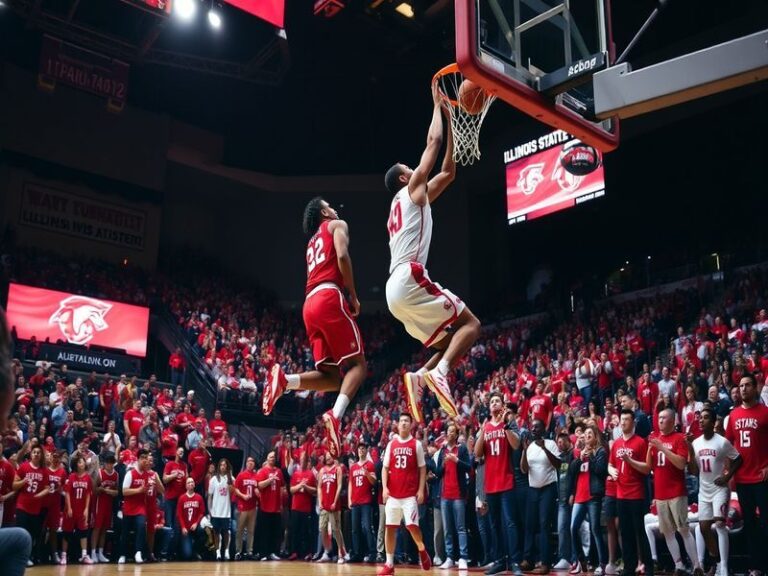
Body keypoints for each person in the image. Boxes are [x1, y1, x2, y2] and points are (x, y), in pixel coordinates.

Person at [384, 83, 480, 423]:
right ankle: (439, 374)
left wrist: (455, 123)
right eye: (409, 168)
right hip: (408, 277)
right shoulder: (410, 189)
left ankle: (420, 376)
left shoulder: (411, 202)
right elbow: (433, 144)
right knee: (471, 325)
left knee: (447, 342)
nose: (414, 169)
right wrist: (438, 106)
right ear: (403, 178)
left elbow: (449, 172)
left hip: (394, 292)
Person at [265, 197, 367, 458]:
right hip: (329, 296)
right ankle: (336, 415)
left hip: (309, 304)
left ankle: (286, 381)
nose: (335, 207)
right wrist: (353, 295)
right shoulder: (336, 224)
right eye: (330, 205)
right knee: (358, 366)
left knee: (332, 379)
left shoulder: (311, 243)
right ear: (324, 212)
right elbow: (342, 255)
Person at [644, 408, 703, 576]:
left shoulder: (679, 439)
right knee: (667, 532)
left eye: (664, 418)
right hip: (660, 493)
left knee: (683, 529)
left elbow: (681, 463)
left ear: (672, 420)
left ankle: (697, 565)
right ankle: (679, 565)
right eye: (659, 418)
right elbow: (649, 467)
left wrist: (661, 447)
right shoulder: (655, 440)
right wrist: (651, 448)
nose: (660, 421)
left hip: (677, 492)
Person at [687, 407, 741, 576]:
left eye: (705, 418)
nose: (701, 421)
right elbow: (694, 472)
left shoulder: (722, 442)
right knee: (703, 527)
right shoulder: (696, 443)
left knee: (719, 523)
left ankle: (724, 566)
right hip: (704, 491)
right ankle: (717, 561)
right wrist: (689, 448)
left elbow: (738, 458)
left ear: (712, 421)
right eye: (700, 418)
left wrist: (727, 477)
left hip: (719, 489)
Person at [474, 393, 524, 576]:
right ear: (489, 408)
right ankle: (500, 561)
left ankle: (516, 561)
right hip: (491, 484)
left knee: (510, 523)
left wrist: (504, 425)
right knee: (494, 525)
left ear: (502, 406)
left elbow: (516, 445)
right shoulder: (486, 427)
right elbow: (477, 453)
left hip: (507, 480)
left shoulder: (509, 424)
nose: (494, 403)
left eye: (497, 401)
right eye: (492, 401)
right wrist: (482, 430)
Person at [724, 373, 768, 576]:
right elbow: (728, 445)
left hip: (762, 477)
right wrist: (729, 471)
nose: (743, 389)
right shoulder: (733, 415)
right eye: (740, 385)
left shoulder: (765, 413)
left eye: (747, 385)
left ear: (754, 389)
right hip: (742, 478)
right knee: (749, 524)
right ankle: (756, 566)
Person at [377, 413, 431, 576]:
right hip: (393, 495)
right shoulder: (391, 444)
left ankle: (422, 549)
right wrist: (385, 488)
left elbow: (422, 469)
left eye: (407, 421)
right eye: (401, 421)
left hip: (409, 495)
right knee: (390, 528)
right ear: (398, 425)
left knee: (412, 526)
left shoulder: (416, 445)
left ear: (411, 425)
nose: (404, 423)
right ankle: (389, 563)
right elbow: (385, 468)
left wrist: (421, 490)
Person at [608, 409, 653, 576]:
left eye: (627, 419)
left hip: (636, 494)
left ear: (633, 422)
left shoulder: (641, 442)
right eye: (622, 419)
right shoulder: (617, 443)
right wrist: (610, 471)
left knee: (639, 532)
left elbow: (646, 469)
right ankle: (629, 567)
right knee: (625, 533)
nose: (623, 422)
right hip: (620, 494)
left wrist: (629, 460)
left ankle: (648, 566)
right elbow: (610, 463)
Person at [520, 419, 561, 574]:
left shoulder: (550, 443)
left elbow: (558, 464)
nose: (534, 429)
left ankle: (545, 563)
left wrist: (545, 449)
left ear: (544, 428)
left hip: (548, 489)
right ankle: (528, 560)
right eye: (532, 427)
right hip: (533, 489)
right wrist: (524, 451)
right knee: (530, 524)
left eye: (537, 426)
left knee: (544, 525)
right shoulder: (529, 447)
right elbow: (524, 470)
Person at [566, 425, 607, 576]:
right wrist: (580, 457)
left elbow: (601, 471)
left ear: (596, 436)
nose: (588, 435)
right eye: (586, 433)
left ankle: (602, 563)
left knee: (595, 529)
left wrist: (591, 456)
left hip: (593, 495)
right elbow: (571, 471)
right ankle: (581, 560)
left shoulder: (600, 451)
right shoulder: (578, 452)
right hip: (579, 496)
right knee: (573, 528)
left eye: (591, 433)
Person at [435, 423, 471, 570]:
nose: (450, 433)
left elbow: (469, 467)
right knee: (448, 529)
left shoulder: (461, 449)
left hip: (458, 494)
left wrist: (457, 461)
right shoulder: (442, 451)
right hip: (444, 495)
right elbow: (437, 473)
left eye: (452, 432)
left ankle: (463, 557)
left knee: (461, 528)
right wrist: (443, 464)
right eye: (448, 431)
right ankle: (449, 557)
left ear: (456, 435)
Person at [118, 448, 151, 565]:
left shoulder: (148, 475)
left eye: (147, 459)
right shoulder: (130, 474)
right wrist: (139, 490)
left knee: (141, 526)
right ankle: (123, 554)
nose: (146, 461)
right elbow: (124, 491)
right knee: (125, 532)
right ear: (139, 459)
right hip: (128, 507)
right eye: (144, 458)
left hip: (140, 507)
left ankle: (138, 552)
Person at [60, 453, 94, 565]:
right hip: (71, 509)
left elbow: (89, 494)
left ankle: (84, 555)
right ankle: (63, 555)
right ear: (76, 464)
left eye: (83, 461)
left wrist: (86, 509)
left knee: (83, 532)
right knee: (67, 532)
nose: (82, 463)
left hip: (82, 509)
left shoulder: (88, 478)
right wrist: (69, 507)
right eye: (80, 462)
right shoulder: (71, 477)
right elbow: (68, 493)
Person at [348, 443, 376, 563]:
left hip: (366, 502)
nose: (361, 450)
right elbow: (350, 484)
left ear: (366, 451)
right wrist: (349, 499)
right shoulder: (353, 467)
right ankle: (357, 554)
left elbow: (374, 482)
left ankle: (372, 553)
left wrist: (367, 474)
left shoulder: (370, 465)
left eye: (363, 448)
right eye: (359, 449)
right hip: (355, 501)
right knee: (355, 529)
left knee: (367, 528)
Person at [317, 452, 347, 563]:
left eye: (330, 456)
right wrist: (320, 502)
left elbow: (339, 485)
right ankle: (327, 551)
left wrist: (335, 501)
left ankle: (341, 553)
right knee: (322, 529)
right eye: (327, 457)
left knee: (336, 530)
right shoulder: (322, 470)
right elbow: (319, 487)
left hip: (334, 504)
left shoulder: (338, 469)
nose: (328, 458)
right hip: (324, 504)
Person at [255, 451, 284, 561]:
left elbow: (281, 488)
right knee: (264, 532)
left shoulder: (279, 471)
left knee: (275, 531)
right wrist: (270, 480)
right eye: (270, 457)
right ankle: (263, 553)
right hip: (265, 506)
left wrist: (281, 503)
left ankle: (273, 552)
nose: (272, 458)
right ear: (267, 458)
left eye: (274, 457)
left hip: (276, 507)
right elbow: (260, 485)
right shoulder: (262, 471)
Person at [91, 453, 118, 563]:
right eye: (108, 463)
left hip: (109, 504)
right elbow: (94, 491)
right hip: (99, 503)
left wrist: (108, 491)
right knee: (97, 528)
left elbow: (116, 492)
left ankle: (100, 552)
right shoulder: (100, 474)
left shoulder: (116, 475)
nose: (110, 465)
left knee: (104, 529)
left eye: (112, 463)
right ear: (105, 464)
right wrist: (101, 489)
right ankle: (93, 552)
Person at [233, 456, 259, 560]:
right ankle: (238, 551)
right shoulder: (241, 475)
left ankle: (249, 551)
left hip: (253, 507)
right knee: (240, 530)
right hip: (242, 507)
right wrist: (243, 496)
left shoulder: (256, 476)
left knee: (251, 531)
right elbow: (236, 489)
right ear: (246, 463)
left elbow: (258, 489)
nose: (250, 463)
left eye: (252, 461)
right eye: (249, 461)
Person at [208, 458, 234, 561]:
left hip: (226, 511)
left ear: (227, 466)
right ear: (219, 466)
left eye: (225, 465)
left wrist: (230, 480)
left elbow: (233, 492)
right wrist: (210, 510)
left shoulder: (231, 478)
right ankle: (218, 552)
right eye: (221, 465)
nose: (223, 466)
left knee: (226, 532)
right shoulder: (213, 479)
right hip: (215, 511)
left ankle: (226, 551)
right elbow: (210, 496)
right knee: (216, 532)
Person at [176, 477, 205, 561]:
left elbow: (201, 513)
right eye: (188, 483)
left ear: (194, 484)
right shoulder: (182, 498)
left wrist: (196, 523)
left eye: (192, 482)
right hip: (186, 528)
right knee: (187, 555)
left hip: (195, 526)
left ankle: (196, 550)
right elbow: (179, 515)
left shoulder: (199, 497)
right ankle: (189, 548)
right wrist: (183, 527)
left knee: (203, 531)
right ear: (186, 486)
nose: (191, 484)